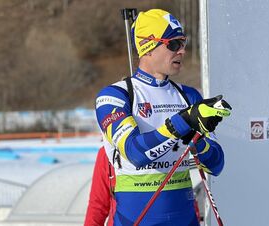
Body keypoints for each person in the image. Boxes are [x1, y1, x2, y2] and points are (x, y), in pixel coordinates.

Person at [86, 9, 231, 226]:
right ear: (148, 46)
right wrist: (182, 123)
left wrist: (197, 141)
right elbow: (135, 153)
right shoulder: (116, 96)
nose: (182, 50)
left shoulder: (188, 96)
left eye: (183, 42)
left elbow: (217, 165)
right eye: (173, 44)